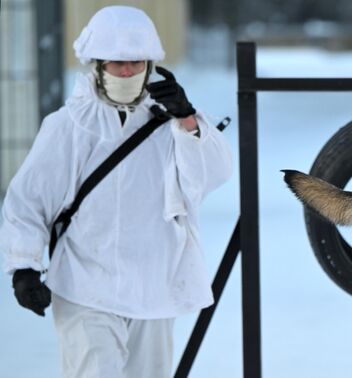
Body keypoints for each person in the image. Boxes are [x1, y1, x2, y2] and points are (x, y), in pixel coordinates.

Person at [0, 5, 233, 378]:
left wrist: (188, 120)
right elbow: (28, 201)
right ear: (96, 65)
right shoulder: (68, 127)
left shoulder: (171, 122)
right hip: (85, 284)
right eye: (116, 63)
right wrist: (24, 267)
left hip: (155, 283)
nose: (126, 71)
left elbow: (213, 174)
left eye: (135, 63)